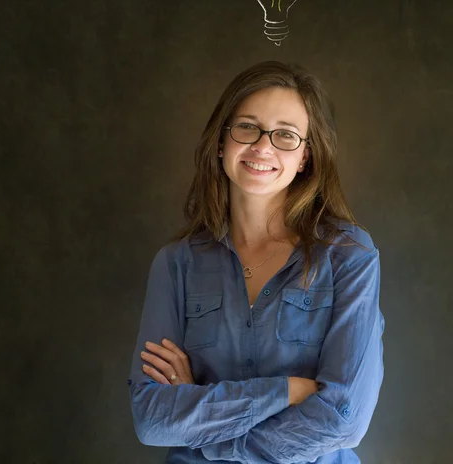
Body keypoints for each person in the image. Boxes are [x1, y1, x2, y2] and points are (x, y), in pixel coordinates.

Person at [127, 60, 385, 464]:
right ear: (221, 142)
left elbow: (343, 419)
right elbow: (153, 420)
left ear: (305, 157)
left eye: (285, 134)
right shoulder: (176, 265)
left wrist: (204, 425)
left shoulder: (349, 255)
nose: (263, 147)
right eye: (247, 127)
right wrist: (286, 390)